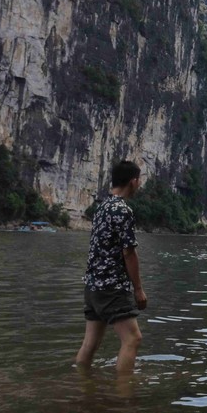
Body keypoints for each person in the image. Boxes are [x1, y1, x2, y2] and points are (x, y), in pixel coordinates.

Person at [75, 159, 148, 373]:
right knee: (132, 339)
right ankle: (124, 398)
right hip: (112, 288)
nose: (139, 184)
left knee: (90, 344)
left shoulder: (102, 207)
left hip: (92, 287)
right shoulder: (122, 210)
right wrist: (138, 289)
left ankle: (81, 385)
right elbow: (129, 252)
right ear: (133, 182)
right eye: (139, 180)